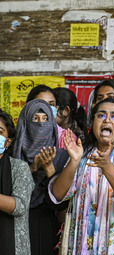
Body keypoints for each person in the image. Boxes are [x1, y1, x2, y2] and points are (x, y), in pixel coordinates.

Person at [49, 98, 114, 254]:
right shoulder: (81, 155)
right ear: (93, 122)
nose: (107, 119)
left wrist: (106, 166)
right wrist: (74, 161)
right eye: (101, 115)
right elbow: (57, 194)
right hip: (82, 242)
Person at [12, 99, 69, 255]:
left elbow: (60, 205)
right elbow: (8, 193)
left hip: (44, 227)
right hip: (12, 227)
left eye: (45, 119)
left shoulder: (61, 157)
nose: (40, 124)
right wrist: (31, 169)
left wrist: (49, 167)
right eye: (35, 119)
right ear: (25, 122)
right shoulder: (10, 154)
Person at [0, 110, 34, 255]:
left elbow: (20, 206)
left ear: (8, 141)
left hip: (11, 246)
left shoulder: (19, 167)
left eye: (0, 131)